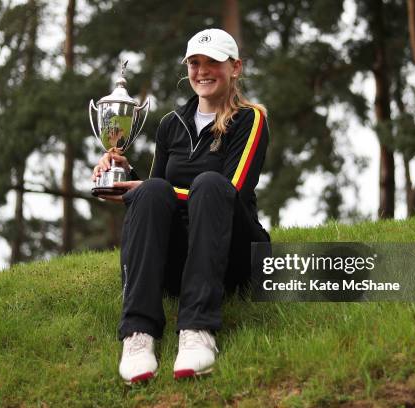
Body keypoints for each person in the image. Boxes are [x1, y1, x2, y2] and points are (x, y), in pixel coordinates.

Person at [92, 28, 270, 384]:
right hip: (178, 262)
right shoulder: (171, 125)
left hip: (233, 255)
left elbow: (233, 191)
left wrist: (150, 188)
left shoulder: (250, 119)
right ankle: (138, 335)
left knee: (209, 184)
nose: (202, 71)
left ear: (235, 67)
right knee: (154, 190)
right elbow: (159, 192)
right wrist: (126, 178)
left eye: (213, 63)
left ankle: (198, 328)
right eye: (194, 63)